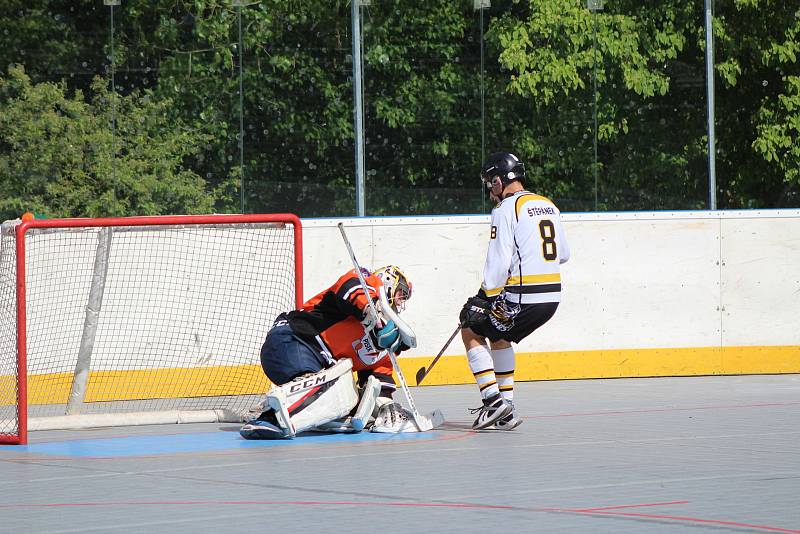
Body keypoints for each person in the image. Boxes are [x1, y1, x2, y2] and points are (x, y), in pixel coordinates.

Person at [459, 152, 570, 430]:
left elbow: (497, 262)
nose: (489, 190)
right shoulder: (547, 205)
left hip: (524, 296)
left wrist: (481, 299)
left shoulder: (505, 209)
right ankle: (506, 413)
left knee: (470, 329)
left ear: (498, 181)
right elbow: (563, 255)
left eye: (489, 183)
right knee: (498, 334)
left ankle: (494, 402)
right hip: (551, 297)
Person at [240, 265, 415, 439]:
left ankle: (289, 404)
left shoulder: (383, 339)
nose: (400, 302)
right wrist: (372, 312)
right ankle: (270, 418)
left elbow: (379, 380)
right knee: (335, 392)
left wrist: (386, 406)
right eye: (401, 293)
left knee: (348, 400)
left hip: (318, 366)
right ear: (388, 280)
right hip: (292, 340)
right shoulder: (365, 279)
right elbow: (350, 287)